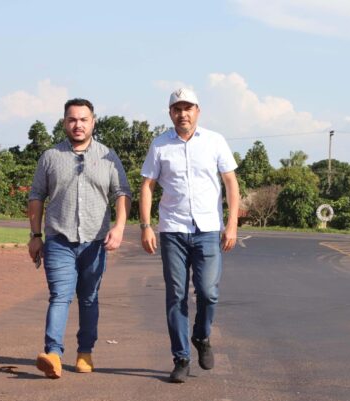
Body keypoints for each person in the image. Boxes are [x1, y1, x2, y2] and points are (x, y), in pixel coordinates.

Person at [139, 88, 239, 383]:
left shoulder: (215, 141)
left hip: (207, 229)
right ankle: (181, 358)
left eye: (188, 108)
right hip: (173, 230)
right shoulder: (160, 145)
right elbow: (147, 186)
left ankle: (201, 336)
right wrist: (146, 226)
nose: (183, 114)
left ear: (198, 111)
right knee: (176, 295)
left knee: (208, 292)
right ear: (170, 113)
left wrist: (232, 224)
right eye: (177, 109)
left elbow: (230, 183)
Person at [28, 98, 131, 379]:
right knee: (59, 296)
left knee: (88, 299)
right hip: (59, 240)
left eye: (84, 119)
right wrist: (35, 235)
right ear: (64, 122)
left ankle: (85, 352)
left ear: (93, 122)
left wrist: (119, 227)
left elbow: (122, 193)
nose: (78, 125)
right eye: (72, 119)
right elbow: (36, 196)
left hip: (95, 243)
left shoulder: (108, 156)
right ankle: (53, 354)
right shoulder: (50, 157)